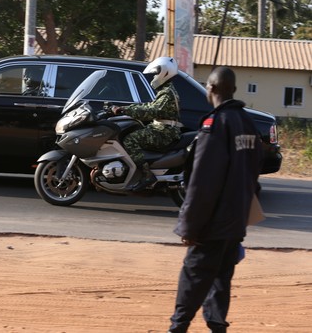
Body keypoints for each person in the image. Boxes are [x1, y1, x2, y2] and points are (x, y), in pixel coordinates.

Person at [168, 66, 263, 333]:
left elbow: (203, 181)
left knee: (194, 276)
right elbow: (254, 174)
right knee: (221, 277)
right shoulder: (248, 123)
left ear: (211, 89)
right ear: (232, 89)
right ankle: (217, 326)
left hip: (213, 222)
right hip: (235, 221)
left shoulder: (215, 124)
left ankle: (177, 328)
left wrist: (189, 225)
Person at [111, 56, 181, 191]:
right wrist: (125, 107)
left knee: (130, 140)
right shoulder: (165, 90)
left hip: (165, 132)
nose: (153, 77)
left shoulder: (167, 93)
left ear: (164, 73)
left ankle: (146, 174)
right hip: (162, 129)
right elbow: (149, 105)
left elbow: (152, 111)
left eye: (155, 74)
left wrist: (124, 110)